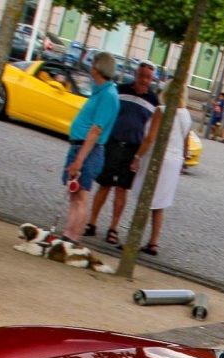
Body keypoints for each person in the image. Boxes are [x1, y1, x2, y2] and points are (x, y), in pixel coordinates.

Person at [85, 61, 162, 246]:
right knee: (104, 184)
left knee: (122, 189)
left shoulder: (154, 101)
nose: (144, 80)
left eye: (148, 78)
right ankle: (92, 222)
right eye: (142, 76)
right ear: (135, 74)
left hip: (133, 148)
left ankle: (113, 227)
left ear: (152, 79)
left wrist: (139, 155)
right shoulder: (120, 90)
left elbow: (152, 130)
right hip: (112, 142)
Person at [60, 52, 119, 244]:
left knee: (81, 196)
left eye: (93, 64)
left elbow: (96, 130)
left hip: (87, 150)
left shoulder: (108, 96)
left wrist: (79, 160)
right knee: (75, 194)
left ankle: (73, 239)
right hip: (80, 147)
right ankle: (67, 236)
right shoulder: (100, 92)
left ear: (98, 68)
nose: (90, 68)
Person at [127, 89, 192, 257]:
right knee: (160, 204)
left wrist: (137, 157)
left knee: (145, 199)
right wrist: (183, 160)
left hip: (158, 158)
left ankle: (133, 240)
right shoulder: (186, 114)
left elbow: (150, 138)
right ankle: (153, 242)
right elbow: (186, 141)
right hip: (174, 161)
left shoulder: (162, 111)